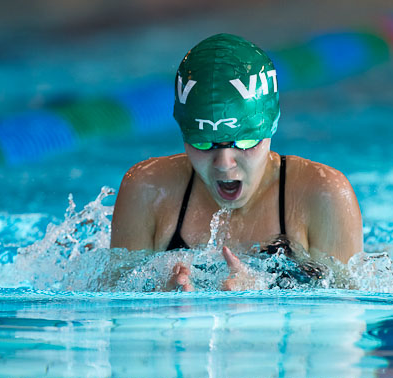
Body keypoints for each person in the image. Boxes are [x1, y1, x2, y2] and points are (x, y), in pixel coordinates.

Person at [110, 33, 363, 291]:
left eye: (244, 142)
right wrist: (162, 296)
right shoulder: (148, 189)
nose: (224, 163)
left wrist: (259, 297)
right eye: (203, 143)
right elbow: (110, 297)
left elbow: (349, 305)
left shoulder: (323, 193)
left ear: (271, 127)